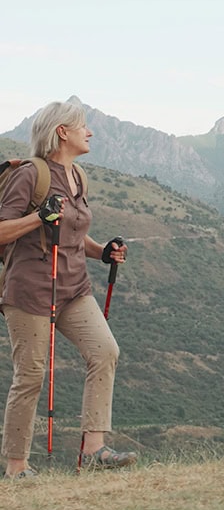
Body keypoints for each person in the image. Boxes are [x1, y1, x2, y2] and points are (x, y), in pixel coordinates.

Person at [0, 101, 137, 479]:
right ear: (62, 132)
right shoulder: (31, 175)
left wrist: (103, 251)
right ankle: (16, 468)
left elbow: (72, 233)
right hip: (30, 290)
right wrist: (37, 216)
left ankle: (94, 450)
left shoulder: (79, 176)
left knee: (105, 351)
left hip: (74, 288)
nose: (89, 132)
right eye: (82, 127)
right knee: (30, 375)